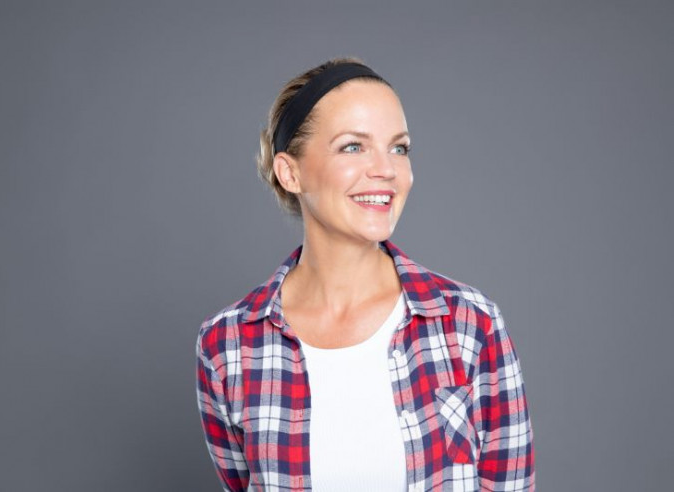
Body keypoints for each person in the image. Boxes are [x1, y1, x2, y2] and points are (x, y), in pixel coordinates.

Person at [195, 56, 535, 491]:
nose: (387, 170)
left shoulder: (471, 324)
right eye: (353, 147)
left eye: (399, 148)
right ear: (290, 172)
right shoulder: (228, 344)